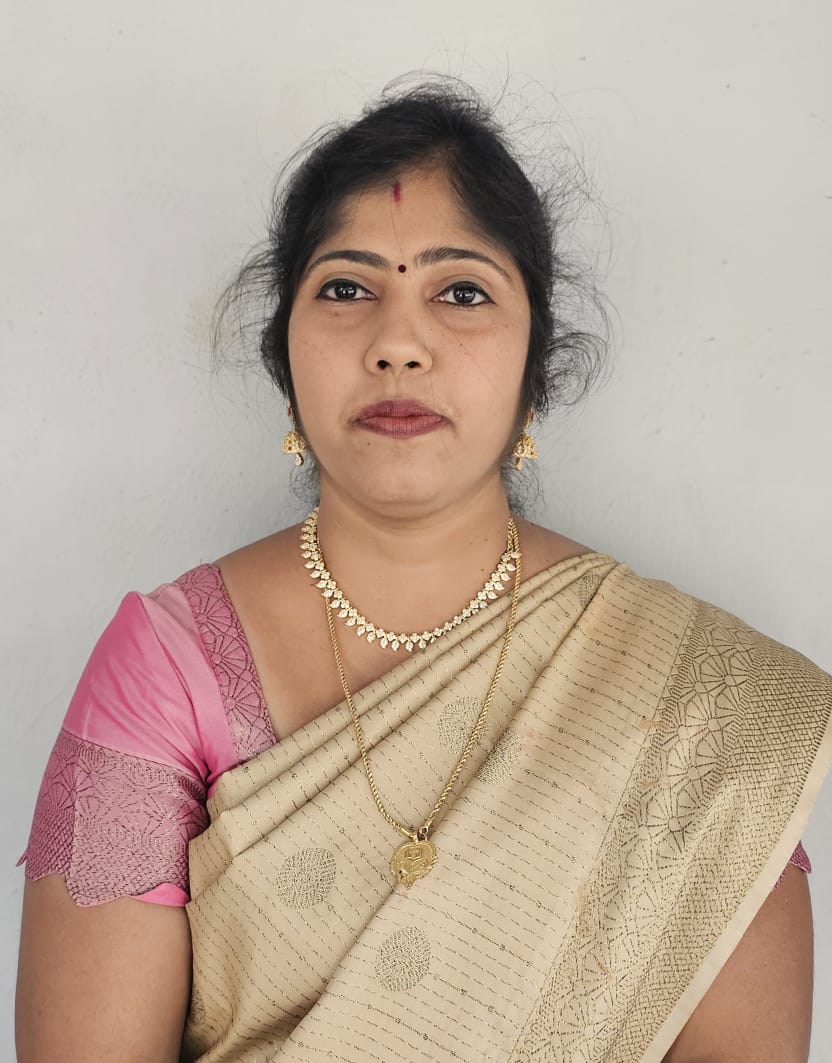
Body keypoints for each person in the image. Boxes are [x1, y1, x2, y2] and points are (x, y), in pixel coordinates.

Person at [15, 81, 832, 1063]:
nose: (398, 344)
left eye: (462, 292)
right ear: (284, 356)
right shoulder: (166, 668)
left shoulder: (699, 705)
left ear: (534, 367)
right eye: (346, 289)